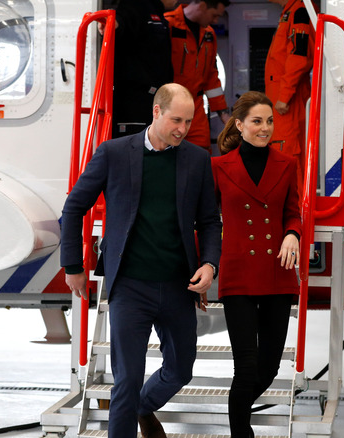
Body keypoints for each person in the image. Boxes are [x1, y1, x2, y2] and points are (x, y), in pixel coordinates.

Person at [61, 83, 222, 438]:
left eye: (189, 120)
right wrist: (74, 266)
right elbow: (73, 208)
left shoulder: (196, 159)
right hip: (130, 287)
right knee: (127, 380)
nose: (182, 128)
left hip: (179, 285)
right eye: (176, 119)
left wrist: (210, 264)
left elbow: (210, 221)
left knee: (181, 371)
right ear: (156, 112)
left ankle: (142, 408)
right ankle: (130, 410)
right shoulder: (114, 153)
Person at [212, 91, 302, 438]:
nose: (264, 128)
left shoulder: (287, 163)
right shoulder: (218, 167)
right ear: (239, 125)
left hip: (277, 273)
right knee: (246, 367)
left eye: (269, 121)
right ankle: (241, 434)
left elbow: (292, 210)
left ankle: (238, 420)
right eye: (256, 121)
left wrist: (292, 233)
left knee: (268, 367)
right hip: (238, 275)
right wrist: (205, 268)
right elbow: (206, 221)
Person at [165, 0, 232, 152]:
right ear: (202, 6)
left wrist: (223, 115)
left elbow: (211, 78)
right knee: (167, 156)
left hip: (196, 109)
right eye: (214, 15)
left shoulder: (209, 34)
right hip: (169, 106)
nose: (215, 20)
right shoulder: (168, 24)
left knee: (201, 156)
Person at [107, 0, 179, 138]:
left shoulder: (158, 14)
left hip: (153, 103)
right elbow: (123, 21)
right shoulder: (137, 5)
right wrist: (113, 24)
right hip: (134, 106)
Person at [264, 0, 315, 188]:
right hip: (281, 99)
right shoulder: (291, 12)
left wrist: (284, 96)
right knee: (283, 152)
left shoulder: (299, 12)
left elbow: (299, 57)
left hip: (288, 102)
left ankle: (296, 213)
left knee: (288, 154)